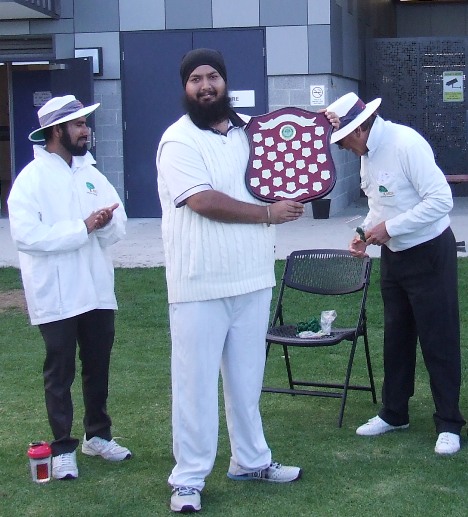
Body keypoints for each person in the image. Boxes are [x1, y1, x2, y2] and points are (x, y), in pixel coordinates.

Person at [156, 48, 304, 513]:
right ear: (185, 88)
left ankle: (251, 460)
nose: (205, 86)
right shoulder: (177, 140)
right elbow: (201, 201)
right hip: (199, 282)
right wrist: (266, 214)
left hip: (253, 277)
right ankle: (188, 479)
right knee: (195, 385)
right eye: (195, 79)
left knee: (247, 382)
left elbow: (283, 163)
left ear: (225, 82)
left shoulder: (249, 133)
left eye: (213, 76)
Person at [325, 92, 466, 455]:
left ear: (359, 131)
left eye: (343, 142)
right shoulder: (368, 154)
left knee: (439, 338)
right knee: (397, 337)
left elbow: (440, 200)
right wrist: (364, 232)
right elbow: (379, 204)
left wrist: (391, 228)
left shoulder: (406, 143)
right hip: (396, 255)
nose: (344, 149)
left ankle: (449, 422)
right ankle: (394, 412)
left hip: (431, 252)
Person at [8, 95, 132, 480]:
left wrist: (104, 223)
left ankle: (98, 435)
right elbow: (27, 237)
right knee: (59, 371)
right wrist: (84, 228)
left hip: (96, 290)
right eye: (78, 124)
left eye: (84, 123)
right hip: (56, 294)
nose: (86, 130)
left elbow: (119, 223)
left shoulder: (92, 173)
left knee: (98, 367)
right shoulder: (30, 180)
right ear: (56, 130)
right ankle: (63, 447)